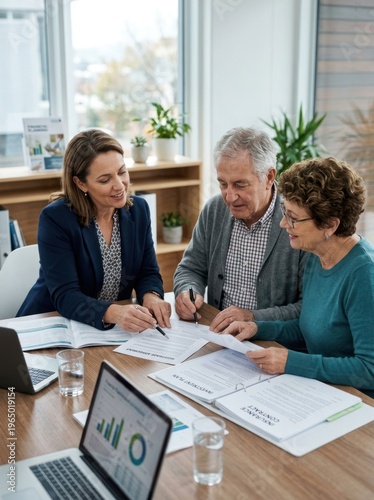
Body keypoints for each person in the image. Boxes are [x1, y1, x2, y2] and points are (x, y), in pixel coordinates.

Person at [224, 156, 374, 396]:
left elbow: (369, 369)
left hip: (357, 405)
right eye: (285, 211)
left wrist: (292, 362)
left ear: (330, 225)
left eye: (293, 218)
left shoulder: (364, 274)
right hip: (320, 390)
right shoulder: (318, 253)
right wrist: (256, 328)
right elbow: (310, 327)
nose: (283, 224)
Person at [17, 129, 171, 332]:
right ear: (81, 183)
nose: (119, 186)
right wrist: (114, 312)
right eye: (105, 180)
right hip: (52, 322)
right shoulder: (56, 218)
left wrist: (151, 296)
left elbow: (147, 271)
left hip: (108, 331)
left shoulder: (138, 210)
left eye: (122, 172)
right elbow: (66, 295)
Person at [174, 127, 307, 331]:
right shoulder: (214, 210)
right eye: (223, 184)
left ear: (270, 177)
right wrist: (188, 291)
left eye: (240, 184)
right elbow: (190, 269)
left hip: (272, 344)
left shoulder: (299, 221)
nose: (229, 196)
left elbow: (306, 308)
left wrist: (252, 318)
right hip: (218, 336)